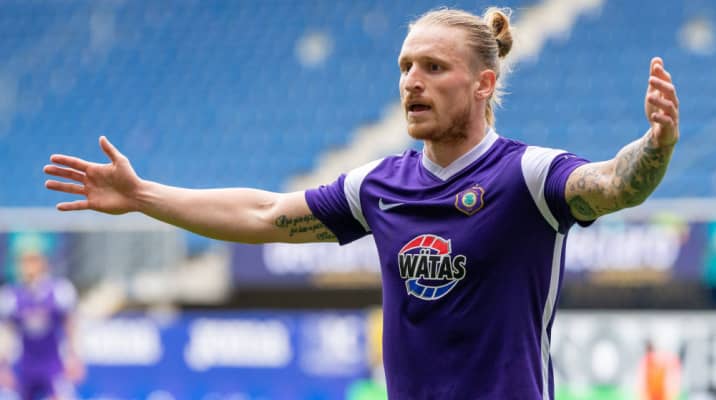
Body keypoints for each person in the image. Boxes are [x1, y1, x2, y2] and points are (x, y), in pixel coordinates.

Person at [43, 7, 679, 399]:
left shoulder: (528, 176)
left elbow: (612, 184)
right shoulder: (379, 184)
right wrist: (142, 195)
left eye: (433, 67)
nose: (411, 82)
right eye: (405, 67)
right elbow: (264, 215)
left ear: (484, 84)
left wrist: (655, 145)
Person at [0, 251, 84, 400]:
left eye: (33, 261)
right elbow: (5, 333)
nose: (28, 267)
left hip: (53, 363)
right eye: (24, 262)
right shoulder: (11, 295)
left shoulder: (59, 291)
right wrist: (3, 366)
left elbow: (70, 326)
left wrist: (74, 357)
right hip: (25, 365)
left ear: (43, 264)